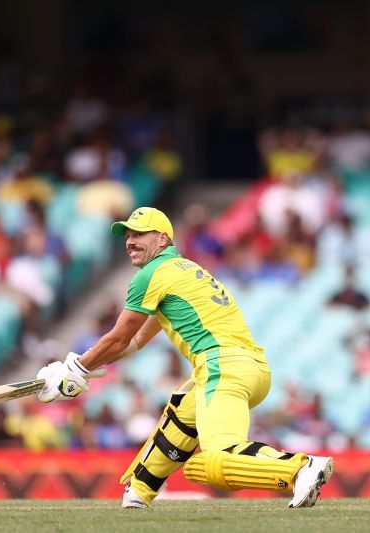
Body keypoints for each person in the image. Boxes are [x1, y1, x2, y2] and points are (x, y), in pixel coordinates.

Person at [34, 206, 333, 509]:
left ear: (162, 239)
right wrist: (89, 365)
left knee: (218, 456)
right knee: (181, 418)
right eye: (127, 235)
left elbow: (120, 337)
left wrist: (75, 368)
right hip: (248, 367)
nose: (130, 241)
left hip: (221, 366)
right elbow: (137, 340)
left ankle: (299, 467)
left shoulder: (151, 274)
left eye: (139, 234)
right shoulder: (183, 269)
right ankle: (139, 492)